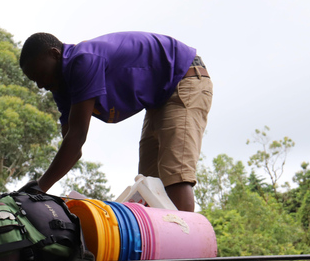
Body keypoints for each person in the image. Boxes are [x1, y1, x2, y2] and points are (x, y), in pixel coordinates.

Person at [18, 31, 212, 212]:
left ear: (55, 54)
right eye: (35, 81)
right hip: (158, 99)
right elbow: (70, 146)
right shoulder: (61, 87)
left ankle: (186, 244)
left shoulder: (83, 60)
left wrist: (39, 187)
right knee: (149, 188)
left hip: (184, 78)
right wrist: (39, 188)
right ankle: (162, 245)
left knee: (174, 176)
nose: (41, 85)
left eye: (40, 75)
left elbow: (76, 139)